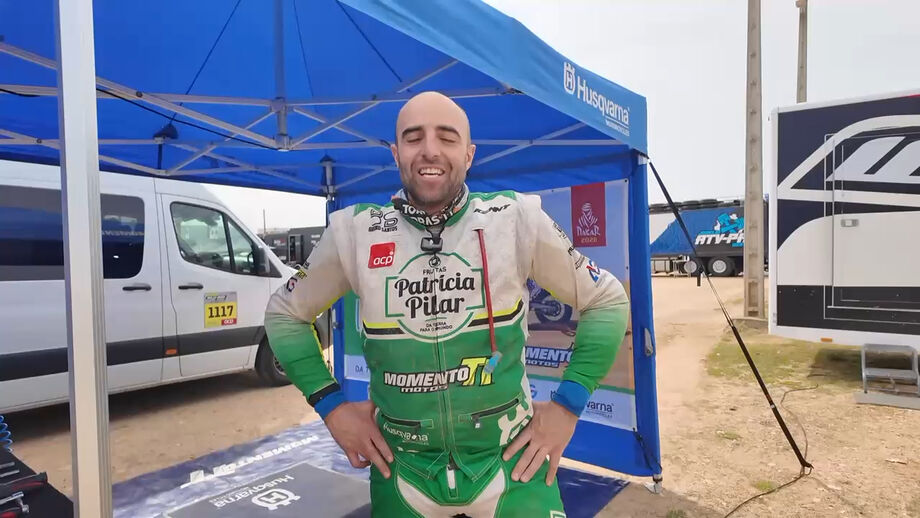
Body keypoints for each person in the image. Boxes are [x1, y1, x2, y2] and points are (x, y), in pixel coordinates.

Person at [264, 91, 629, 517]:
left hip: (509, 461)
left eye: (447, 137)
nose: (430, 150)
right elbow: (285, 314)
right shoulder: (355, 231)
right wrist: (331, 407)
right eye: (414, 138)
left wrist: (567, 407)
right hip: (402, 467)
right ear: (395, 152)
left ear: (469, 154)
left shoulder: (513, 219)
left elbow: (606, 299)